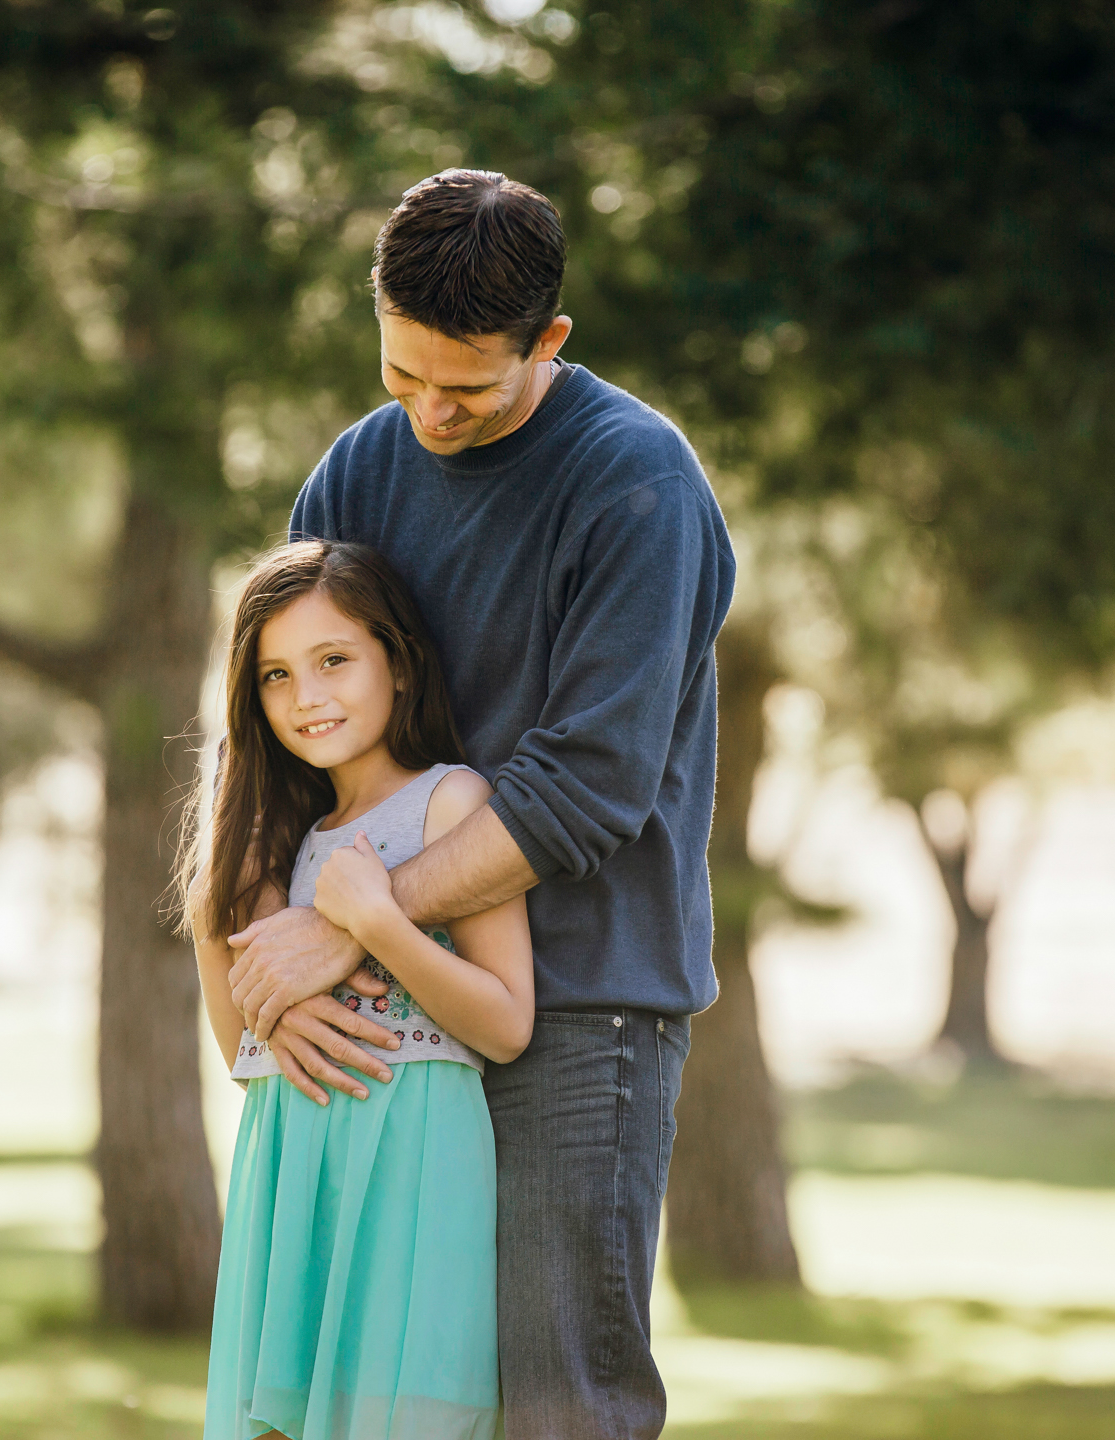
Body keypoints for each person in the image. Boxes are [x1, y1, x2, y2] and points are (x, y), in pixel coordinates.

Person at [227, 169, 735, 1439]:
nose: (430, 414)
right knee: (371, 1403)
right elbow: (274, 731)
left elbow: (588, 786)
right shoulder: (357, 468)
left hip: (575, 1004)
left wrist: (356, 921)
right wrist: (272, 979)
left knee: (556, 1406)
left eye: (467, 386)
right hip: (379, 1027)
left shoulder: (637, 483)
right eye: (403, 375)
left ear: (549, 341)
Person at [187, 539, 534, 1440]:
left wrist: (376, 924)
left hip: (414, 1171)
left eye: (334, 660)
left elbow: (506, 1022)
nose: (306, 698)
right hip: (291, 1173)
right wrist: (207, 925)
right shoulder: (285, 836)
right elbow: (246, 1057)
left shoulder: (450, 805)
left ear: (398, 660)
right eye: (275, 675)